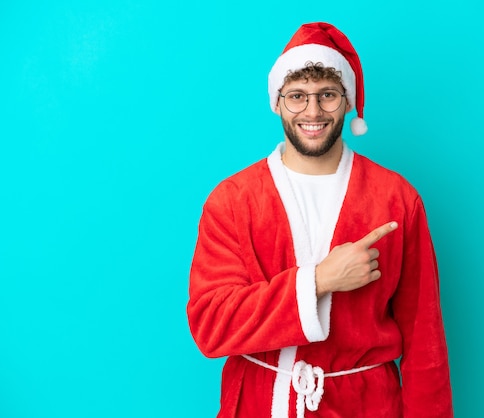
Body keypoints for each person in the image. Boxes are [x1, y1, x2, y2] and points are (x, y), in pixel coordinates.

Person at [187, 22, 453, 417]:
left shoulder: (396, 199)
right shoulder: (233, 201)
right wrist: (320, 280)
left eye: (327, 95)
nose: (312, 111)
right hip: (262, 404)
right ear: (277, 102)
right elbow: (211, 325)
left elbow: (424, 338)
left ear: (347, 101)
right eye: (297, 96)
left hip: (367, 405)